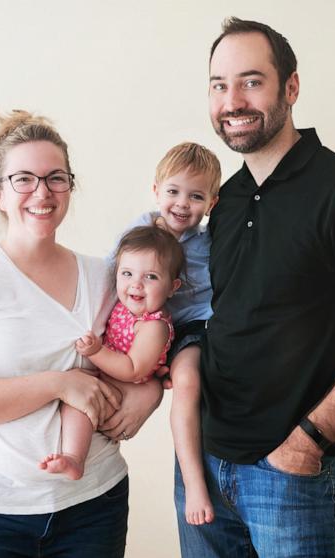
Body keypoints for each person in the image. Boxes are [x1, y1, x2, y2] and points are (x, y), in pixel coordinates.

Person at [176, 18, 335, 557]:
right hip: (203, 470)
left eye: (251, 81)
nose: (232, 100)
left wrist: (308, 442)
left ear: (291, 87)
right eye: (219, 84)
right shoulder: (222, 201)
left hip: (288, 476)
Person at [0, 110, 163, 558]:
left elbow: (163, 338)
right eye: (24, 179)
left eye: (56, 178)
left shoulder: (108, 277)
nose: (42, 192)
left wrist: (150, 393)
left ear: (71, 187)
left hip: (94, 504)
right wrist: (60, 383)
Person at [115, 142, 222, 525]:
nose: (181, 203)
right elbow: (118, 279)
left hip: (191, 327)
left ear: (212, 201)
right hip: (148, 326)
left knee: (188, 381)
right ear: (156, 189)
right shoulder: (139, 232)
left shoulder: (209, 242)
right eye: (173, 191)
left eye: (195, 196)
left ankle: (194, 483)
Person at [41, 225, 183, 480]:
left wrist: (96, 352)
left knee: (80, 404)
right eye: (127, 273)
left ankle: (75, 457)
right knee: (77, 398)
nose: (136, 284)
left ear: (173, 287)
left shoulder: (154, 326)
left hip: (123, 387)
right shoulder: (123, 307)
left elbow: (133, 369)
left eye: (150, 277)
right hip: (109, 378)